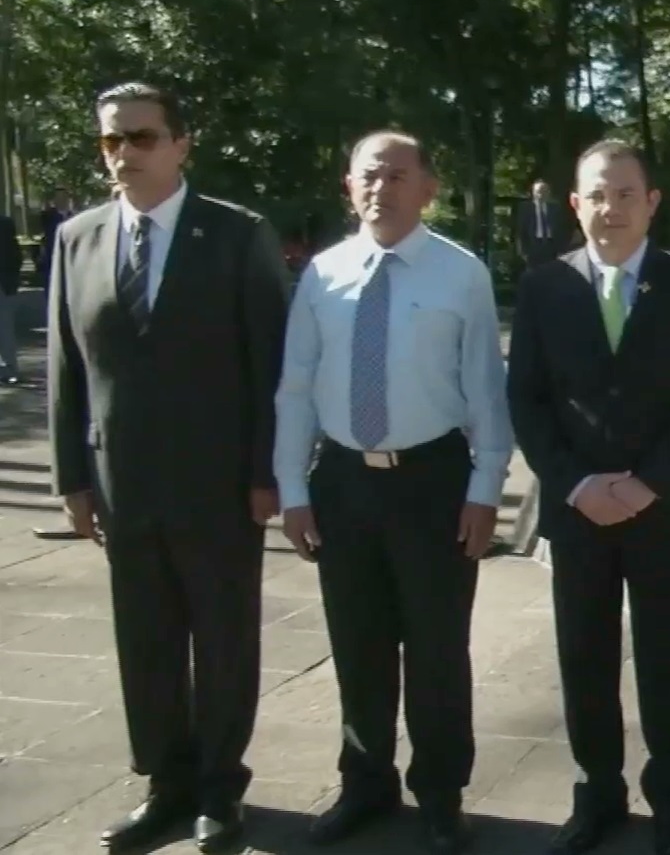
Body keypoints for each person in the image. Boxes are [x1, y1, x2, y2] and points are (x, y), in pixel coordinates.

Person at [47, 82, 289, 852]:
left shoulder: (235, 234)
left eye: (141, 138)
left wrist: (267, 473)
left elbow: (268, 363)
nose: (124, 155)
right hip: (124, 486)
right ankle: (165, 783)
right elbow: (65, 368)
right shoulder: (77, 238)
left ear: (182, 144)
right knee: (145, 643)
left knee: (223, 642)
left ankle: (221, 787)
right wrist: (71, 481)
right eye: (111, 141)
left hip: (219, 488)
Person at [274, 131, 513, 854]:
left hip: (434, 482)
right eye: (368, 176)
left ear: (428, 188)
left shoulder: (461, 275)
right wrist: (292, 486)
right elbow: (296, 386)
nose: (382, 187)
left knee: (439, 649)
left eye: (398, 175)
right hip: (344, 481)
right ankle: (365, 781)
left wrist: (485, 488)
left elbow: (485, 391)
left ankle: (441, 794)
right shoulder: (322, 274)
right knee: (359, 643)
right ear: (349, 187)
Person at [508, 138, 670, 855]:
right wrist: (574, 484)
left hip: (661, 509)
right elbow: (528, 401)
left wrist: (644, 484)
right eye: (596, 195)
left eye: (625, 193)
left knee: (669, 659)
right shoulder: (545, 287)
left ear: (652, 201)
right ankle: (596, 793)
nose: (611, 208)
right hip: (578, 512)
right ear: (575, 204)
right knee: (585, 657)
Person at [516, 179, 566, 267]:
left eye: (544, 191)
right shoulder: (526, 208)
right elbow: (521, 230)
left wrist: (561, 250)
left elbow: (560, 229)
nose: (541, 195)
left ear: (548, 193)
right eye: (538, 192)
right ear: (533, 193)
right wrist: (523, 251)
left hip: (551, 246)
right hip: (533, 245)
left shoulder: (555, 208)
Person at [0, 205, 20, 384]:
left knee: (5, 329)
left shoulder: (5, 224)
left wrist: (12, 281)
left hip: (3, 284)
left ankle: (10, 369)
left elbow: (15, 254)